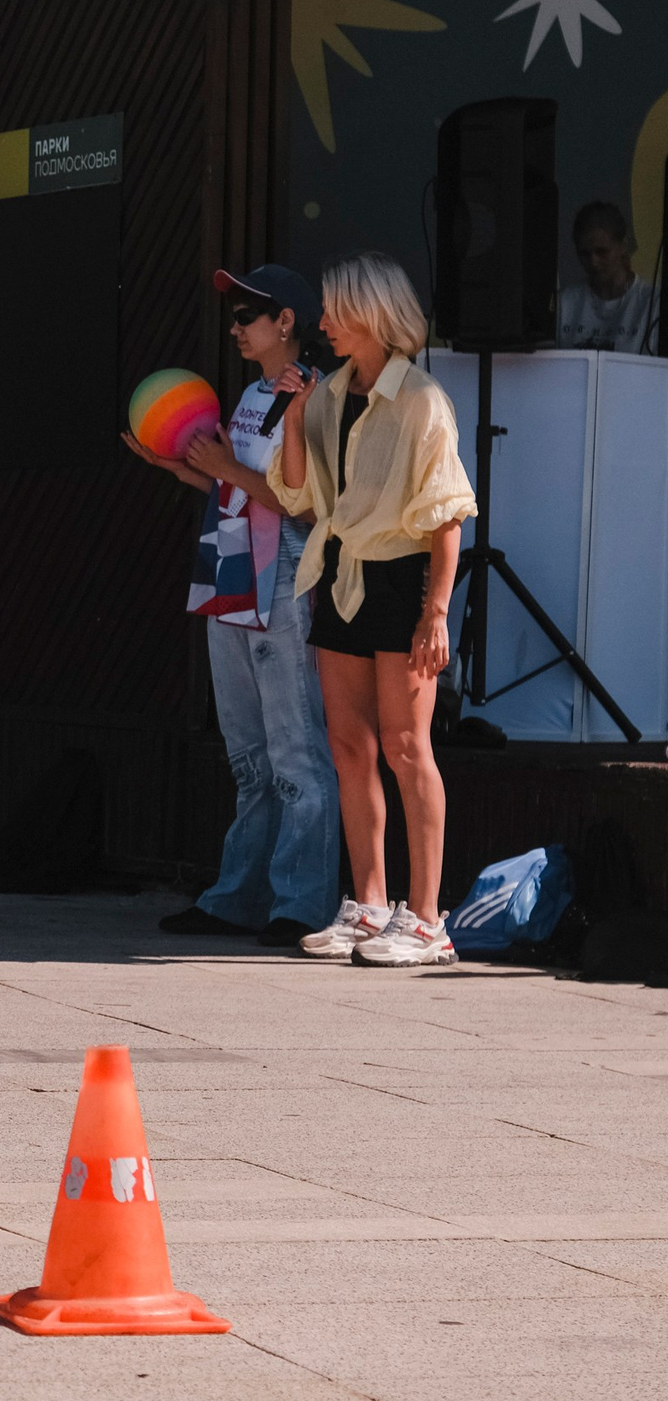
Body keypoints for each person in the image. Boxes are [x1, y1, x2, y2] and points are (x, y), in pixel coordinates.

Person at [272, 253, 476, 968]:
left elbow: (447, 517)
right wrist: (295, 417)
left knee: (405, 745)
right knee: (350, 746)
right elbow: (297, 494)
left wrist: (437, 611)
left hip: (403, 579)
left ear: (372, 315)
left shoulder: (422, 400)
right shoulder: (326, 394)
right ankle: (367, 904)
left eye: (334, 310)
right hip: (340, 574)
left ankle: (426, 920)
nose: (323, 323)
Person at [128, 266, 341, 947]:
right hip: (230, 565)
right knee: (249, 754)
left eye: (249, 312)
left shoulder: (315, 397)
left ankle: (302, 903)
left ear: (288, 321)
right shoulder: (251, 394)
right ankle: (237, 897)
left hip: (282, 576)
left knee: (295, 752)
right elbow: (236, 484)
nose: (236, 326)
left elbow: (302, 503)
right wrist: (180, 468)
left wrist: (221, 469)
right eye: (235, 313)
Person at [557, 201, 659, 354]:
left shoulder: (654, 303)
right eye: (584, 254)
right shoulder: (564, 303)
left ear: (623, 246)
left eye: (602, 252)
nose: (593, 262)